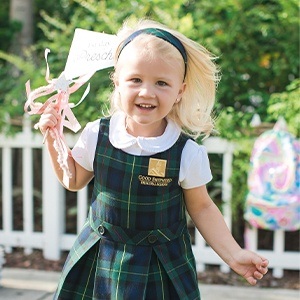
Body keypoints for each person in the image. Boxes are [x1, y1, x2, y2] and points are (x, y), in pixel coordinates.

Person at [39, 19, 268, 300]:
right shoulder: (97, 134)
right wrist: (53, 137)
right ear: (117, 81)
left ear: (179, 91)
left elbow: (203, 208)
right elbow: (73, 180)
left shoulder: (186, 152)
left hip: (160, 268)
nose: (147, 92)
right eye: (136, 79)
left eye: (161, 83)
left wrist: (233, 254)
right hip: (100, 261)